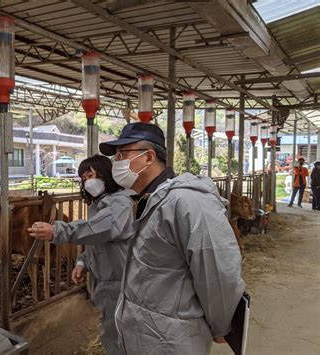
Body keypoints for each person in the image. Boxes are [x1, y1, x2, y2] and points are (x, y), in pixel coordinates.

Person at [98, 122, 244, 355]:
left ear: (148, 157)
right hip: (144, 334)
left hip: (172, 340)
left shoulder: (187, 202)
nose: (117, 162)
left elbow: (218, 270)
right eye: (117, 156)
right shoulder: (145, 200)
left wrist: (221, 324)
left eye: (123, 154)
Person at [28, 155, 134, 355]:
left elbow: (104, 229)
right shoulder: (100, 203)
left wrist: (58, 231)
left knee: (118, 335)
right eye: (83, 178)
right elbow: (98, 239)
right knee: (113, 330)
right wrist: (82, 261)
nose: (87, 182)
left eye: (90, 175)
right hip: (108, 279)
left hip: (120, 281)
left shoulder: (120, 202)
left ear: (106, 173)